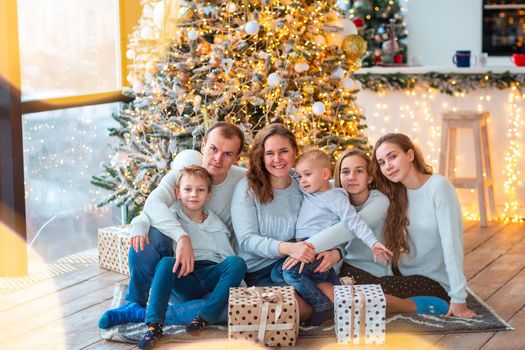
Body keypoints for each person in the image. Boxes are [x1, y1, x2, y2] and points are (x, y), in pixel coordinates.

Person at [98, 122, 246, 329]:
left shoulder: (242, 180)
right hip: (178, 267)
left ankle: (151, 314)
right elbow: (152, 205)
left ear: (237, 156)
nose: (217, 158)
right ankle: (134, 303)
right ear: (203, 145)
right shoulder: (180, 176)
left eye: (227, 154)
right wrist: (181, 236)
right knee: (150, 234)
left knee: (230, 308)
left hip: (214, 267)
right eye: (213, 149)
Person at [231, 124, 347, 326]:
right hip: (260, 271)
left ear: (294, 151)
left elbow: (336, 218)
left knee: (341, 298)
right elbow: (247, 240)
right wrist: (290, 248)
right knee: (291, 309)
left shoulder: (303, 181)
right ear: (261, 156)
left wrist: (337, 252)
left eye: (284, 151)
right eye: (270, 153)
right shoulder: (247, 188)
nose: (277, 159)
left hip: (298, 264)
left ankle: (408, 305)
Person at [270, 148, 393, 324]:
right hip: (307, 250)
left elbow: (354, 222)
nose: (302, 180)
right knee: (276, 274)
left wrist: (373, 243)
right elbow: (287, 172)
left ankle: (321, 306)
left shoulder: (336, 197)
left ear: (325, 174)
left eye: (307, 175)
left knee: (290, 274)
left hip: (318, 252)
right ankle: (319, 294)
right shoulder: (309, 188)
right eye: (300, 176)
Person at [137, 165, 246, 349]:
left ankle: (203, 318)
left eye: (200, 190)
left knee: (237, 262)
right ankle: (154, 326)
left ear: (208, 195)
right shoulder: (171, 216)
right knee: (165, 262)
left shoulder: (216, 224)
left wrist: (240, 289)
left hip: (210, 274)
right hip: (185, 274)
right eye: (188, 189)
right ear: (178, 193)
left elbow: (228, 257)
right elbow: (145, 215)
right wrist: (137, 226)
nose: (193, 194)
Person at [333, 148, 453, 315]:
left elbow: (348, 228)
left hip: (384, 272)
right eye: (345, 172)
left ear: (370, 177)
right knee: (349, 295)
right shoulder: (334, 201)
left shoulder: (379, 202)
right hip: (352, 269)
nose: (351, 177)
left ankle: (407, 305)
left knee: (377, 290)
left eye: (359, 171)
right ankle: (408, 305)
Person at [370, 134, 477, 317]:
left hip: (434, 280)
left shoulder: (438, 187)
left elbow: (452, 245)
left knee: (372, 292)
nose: (387, 166)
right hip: (403, 272)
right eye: (381, 162)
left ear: (410, 155)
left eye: (392, 157)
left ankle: (431, 304)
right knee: (356, 284)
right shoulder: (395, 192)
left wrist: (458, 298)